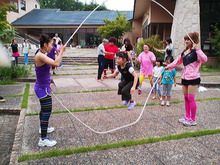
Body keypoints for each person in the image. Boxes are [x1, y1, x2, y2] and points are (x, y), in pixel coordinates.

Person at [166, 32, 207, 126]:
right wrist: (168, 67)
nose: (186, 41)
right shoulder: (184, 53)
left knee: (191, 98)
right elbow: (177, 61)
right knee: (186, 98)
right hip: (184, 77)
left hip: (193, 78)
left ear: (193, 41)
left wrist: (198, 49)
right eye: (185, 39)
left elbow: (204, 59)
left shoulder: (197, 52)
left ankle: (193, 119)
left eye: (188, 39)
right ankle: (187, 116)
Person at [35, 34, 65, 147]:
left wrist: (48, 84)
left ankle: (43, 128)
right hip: (42, 89)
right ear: (45, 44)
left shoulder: (41, 53)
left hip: (43, 87)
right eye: (51, 44)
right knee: (46, 112)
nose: (52, 46)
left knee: (44, 111)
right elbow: (56, 63)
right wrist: (61, 51)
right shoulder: (40, 56)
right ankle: (43, 139)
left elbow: (45, 70)